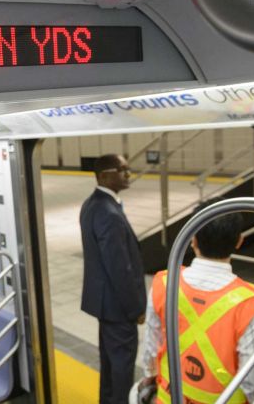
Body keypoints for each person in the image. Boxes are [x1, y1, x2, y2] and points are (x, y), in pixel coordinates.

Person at [140, 199, 254, 403]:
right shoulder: (253, 302)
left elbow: (152, 347)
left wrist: (149, 378)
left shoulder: (164, 282)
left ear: (193, 239)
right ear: (239, 242)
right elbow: (251, 382)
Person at [80, 154, 147, 404]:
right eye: (123, 170)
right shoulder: (109, 212)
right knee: (121, 367)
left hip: (104, 302)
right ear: (105, 176)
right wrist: (136, 309)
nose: (128, 174)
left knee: (109, 362)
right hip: (119, 307)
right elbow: (121, 269)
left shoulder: (92, 204)